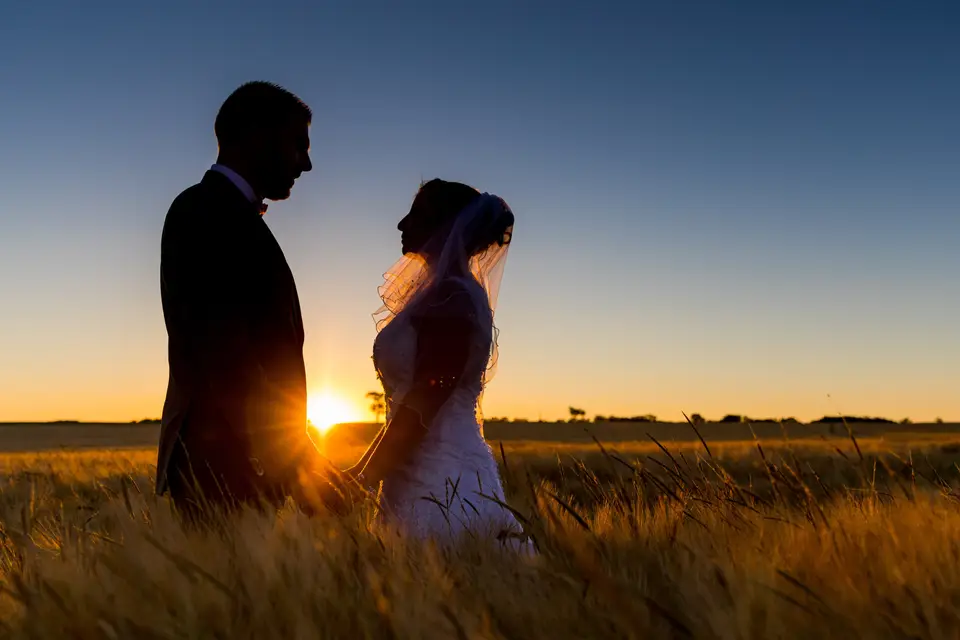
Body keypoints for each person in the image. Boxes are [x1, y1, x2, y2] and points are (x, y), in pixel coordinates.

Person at [156, 81, 342, 521]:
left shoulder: (229, 215)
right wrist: (296, 463)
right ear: (258, 136)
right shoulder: (200, 212)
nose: (308, 163)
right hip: (224, 465)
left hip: (244, 463)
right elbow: (222, 352)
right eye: (299, 145)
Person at [347, 179, 528, 546]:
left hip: (446, 485)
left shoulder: (453, 299)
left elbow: (424, 402)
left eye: (414, 214)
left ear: (443, 225)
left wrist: (361, 481)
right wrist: (362, 472)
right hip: (415, 475)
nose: (401, 225)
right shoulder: (437, 294)